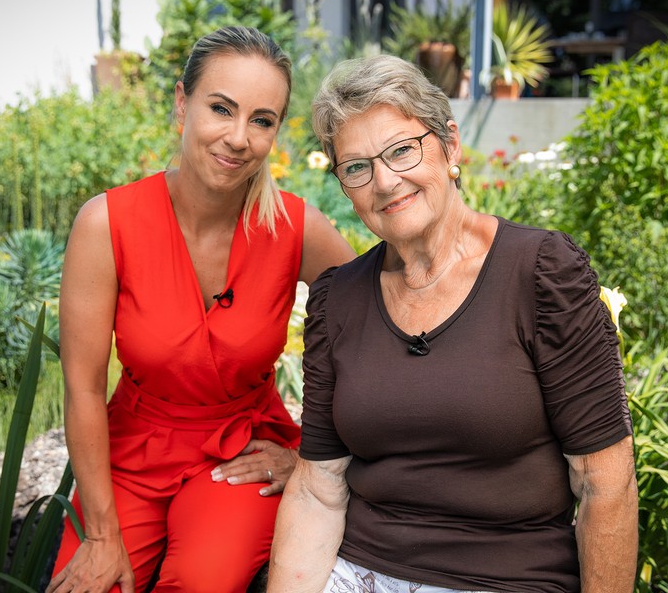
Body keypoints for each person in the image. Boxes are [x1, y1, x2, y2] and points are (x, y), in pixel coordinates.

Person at [269, 55, 638, 592]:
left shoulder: (540, 274)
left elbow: (604, 484)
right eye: (357, 167)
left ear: (449, 144)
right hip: (361, 572)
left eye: (401, 150)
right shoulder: (337, 299)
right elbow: (318, 488)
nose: (385, 181)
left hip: (508, 578)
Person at [47, 26, 356, 593]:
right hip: (132, 448)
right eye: (221, 108)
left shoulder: (296, 228)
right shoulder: (106, 224)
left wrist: (308, 462)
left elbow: (377, 334)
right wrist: (100, 534)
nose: (239, 138)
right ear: (181, 103)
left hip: (241, 449)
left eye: (261, 120)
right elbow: (84, 389)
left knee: (200, 582)